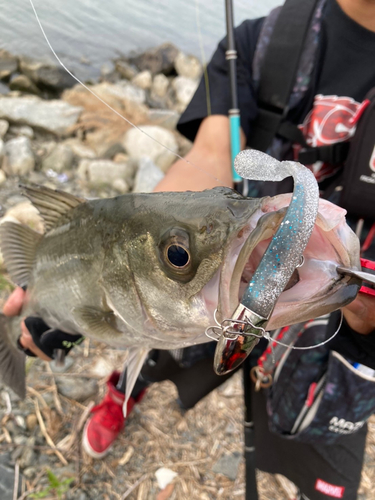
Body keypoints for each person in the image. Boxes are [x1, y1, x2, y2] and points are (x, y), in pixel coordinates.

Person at [4, 0, 375, 497]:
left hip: (340, 340)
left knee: (322, 464)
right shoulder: (259, 43)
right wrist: (53, 302)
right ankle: (123, 392)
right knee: (152, 340)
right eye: (175, 256)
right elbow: (207, 158)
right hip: (209, 299)